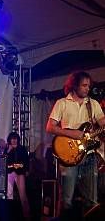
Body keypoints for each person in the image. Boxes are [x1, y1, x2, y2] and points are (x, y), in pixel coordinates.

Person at [46, 71, 105, 218]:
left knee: (91, 201)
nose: (87, 89)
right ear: (74, 85)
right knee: (67, 200)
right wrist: (72, 133)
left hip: (89, 155)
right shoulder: (62, 103)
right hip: (68, 156)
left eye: (89, 86)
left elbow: (102, 123)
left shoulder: (93, 104)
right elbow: (50, 127)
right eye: (84, 85)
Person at [4, 131, 30, 218]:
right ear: (9, 140)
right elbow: (3, 160)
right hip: (9, 172)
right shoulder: (7, 148)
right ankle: (9, 213)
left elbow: (26, 160)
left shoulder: (22, 148)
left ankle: (26, 215)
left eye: (15, 138)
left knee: (22, 194)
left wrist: (26, 170)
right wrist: (8, 150)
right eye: (12, 138)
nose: (14, 140)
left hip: (20, 172)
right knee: (9, 194)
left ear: (18, 139)